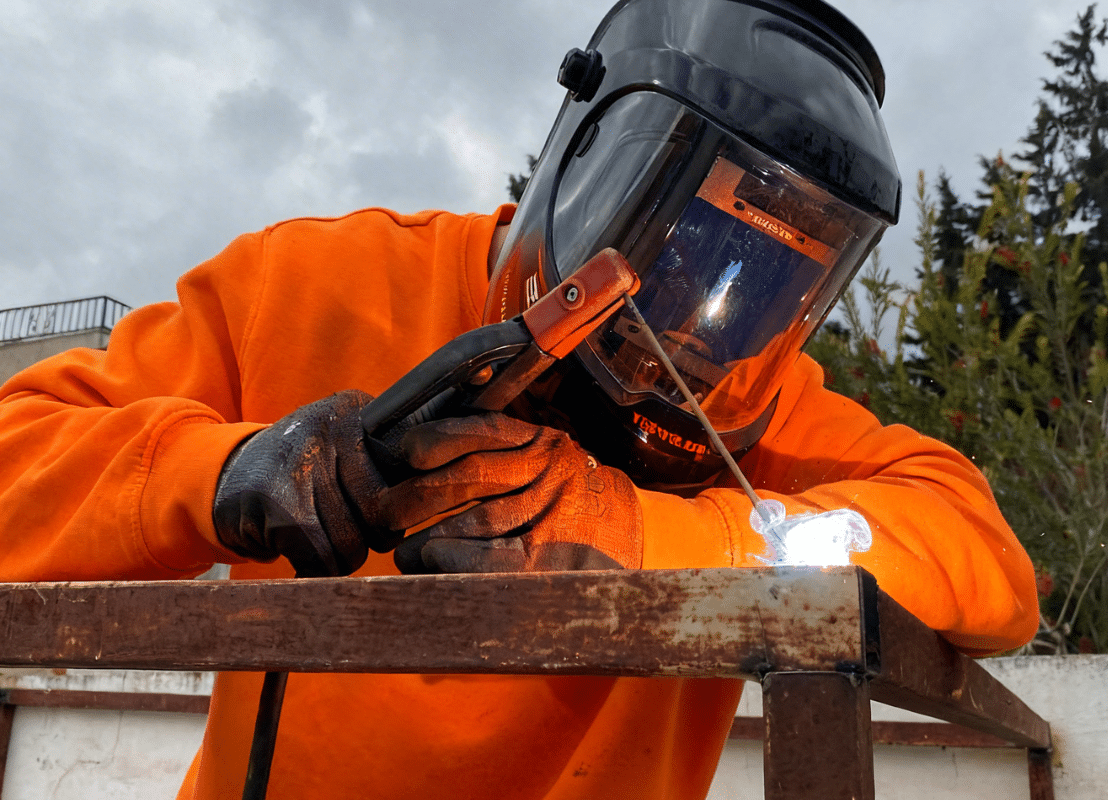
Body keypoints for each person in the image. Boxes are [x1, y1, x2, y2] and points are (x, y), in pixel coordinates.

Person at [0, 0, 1039, 797]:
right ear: (586, 158)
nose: (687, 332)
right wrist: (221, 470)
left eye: (762, 279)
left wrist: (643, 532)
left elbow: (981, 558)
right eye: (680, 245)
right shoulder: (312, 286)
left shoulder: (748, 405)